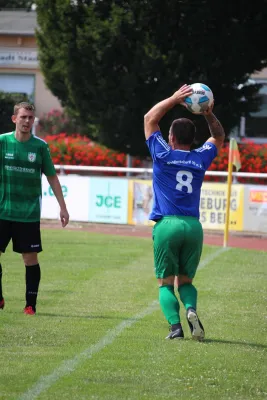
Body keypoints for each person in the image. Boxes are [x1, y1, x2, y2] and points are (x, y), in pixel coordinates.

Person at [144, 85, 225, 340]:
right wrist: (208, 114)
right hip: (193, 227)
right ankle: (191, 309)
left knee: (165, 283)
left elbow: (149, 118)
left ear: (170, 137)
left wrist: (173, 98)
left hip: (167, 224)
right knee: (186, 282)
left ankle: (175, 327)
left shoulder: (163, 155)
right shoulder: (200, 158)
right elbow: (219, 136)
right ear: (193, 139)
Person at [0, 102, 69, 315]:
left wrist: (63, 207)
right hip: (2, 212)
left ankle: (30, 305)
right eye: (23, 117)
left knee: (30, 259)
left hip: (28, 215)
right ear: (14, 119)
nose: (27, 121)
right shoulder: (2, 142)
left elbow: (52, 177)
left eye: (30, 118)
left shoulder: (39, 147)